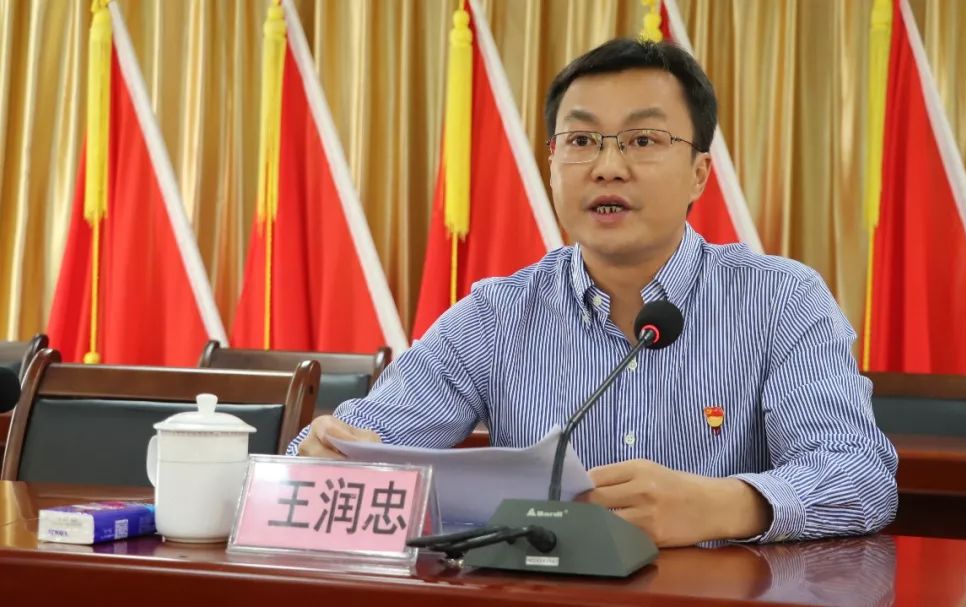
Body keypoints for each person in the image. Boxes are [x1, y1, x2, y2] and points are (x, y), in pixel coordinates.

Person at [288, 38, 898, 547]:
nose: (608, 167)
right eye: (581, 142)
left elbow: (860, 476)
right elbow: (350, 449)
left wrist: (725, 505)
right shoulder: (496, 315)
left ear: (698, 174)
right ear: (553, 166)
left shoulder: (781, 299)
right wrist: (327, 453)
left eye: (643, 140)